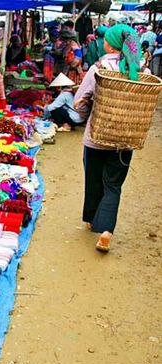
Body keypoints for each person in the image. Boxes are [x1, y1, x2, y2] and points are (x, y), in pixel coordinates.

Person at [74, 24, 143, 252]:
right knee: (113, 185)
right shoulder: (140, 70)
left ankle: (93, 219)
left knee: (93, 179)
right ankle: (105, 231)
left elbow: (81, 101)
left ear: (108, 43)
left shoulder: (98, 68)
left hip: (97, 136)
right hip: (125, 139)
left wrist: (83, 113)